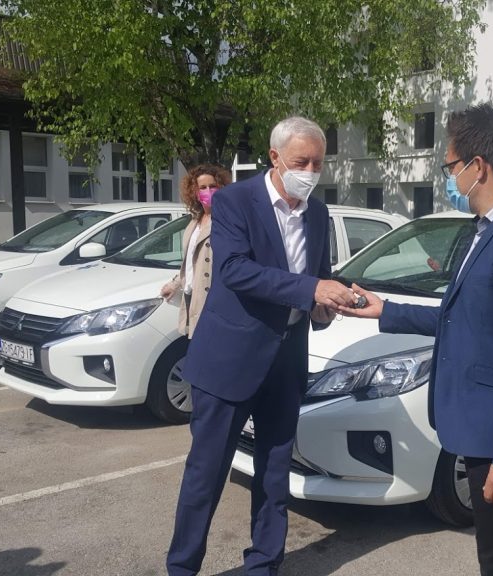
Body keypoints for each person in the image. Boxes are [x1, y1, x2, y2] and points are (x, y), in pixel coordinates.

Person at [339, 102, 493, 576]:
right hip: (478, 425)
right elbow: (463, 318)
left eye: (450, 167)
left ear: (477, 167)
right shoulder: (484, 230)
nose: (449, 178)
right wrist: (387, 310)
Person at [166, 117, 355, 576]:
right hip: (229, 361)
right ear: (274, 157)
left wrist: (324, 307)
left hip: (285, 360)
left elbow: (317, 277)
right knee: (206, 474)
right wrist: (311, 289)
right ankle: (183, 568)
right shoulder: (234, 201)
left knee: (274, 473)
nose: (310, 171)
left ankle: (264, 564)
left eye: (318, 163)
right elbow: (234, 269)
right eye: (300, 162)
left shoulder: (317, 213)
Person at [160, 164, 232, 337]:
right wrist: (175, 284)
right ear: (195, 192)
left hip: (211, 298)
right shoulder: (195, 221)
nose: (208, 191)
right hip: (191, 295)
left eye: (213, 186)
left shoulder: (227, 220)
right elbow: (192, 261)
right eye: (203, 187)